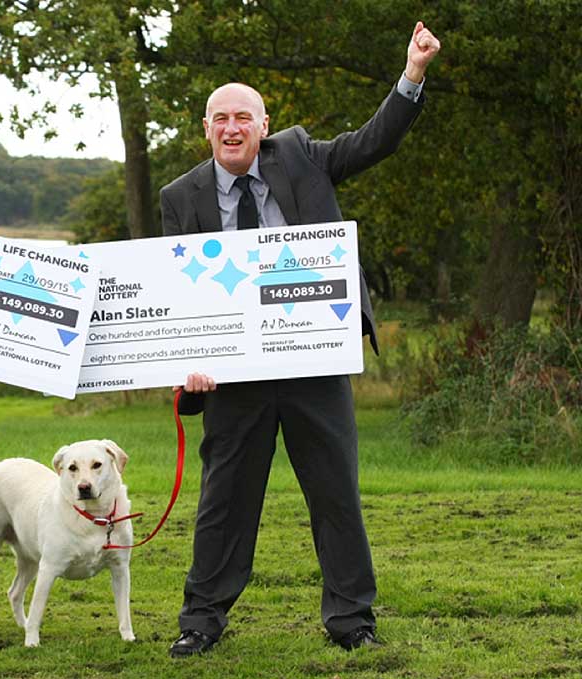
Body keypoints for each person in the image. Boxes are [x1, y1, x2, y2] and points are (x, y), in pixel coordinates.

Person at [160, 22, 441, 657]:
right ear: (206, 129)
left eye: (244, 118)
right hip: (233, 376)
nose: (232, 129)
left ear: (264, 125)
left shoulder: (304, 157)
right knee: (224, 501)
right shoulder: (180, 196)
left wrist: (413, 73)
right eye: (219, 119)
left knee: (335, 493)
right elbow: (176, 292)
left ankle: (352, 623)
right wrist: (190, 364)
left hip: (316, 364)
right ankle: (200, 620)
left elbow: (374, 142)